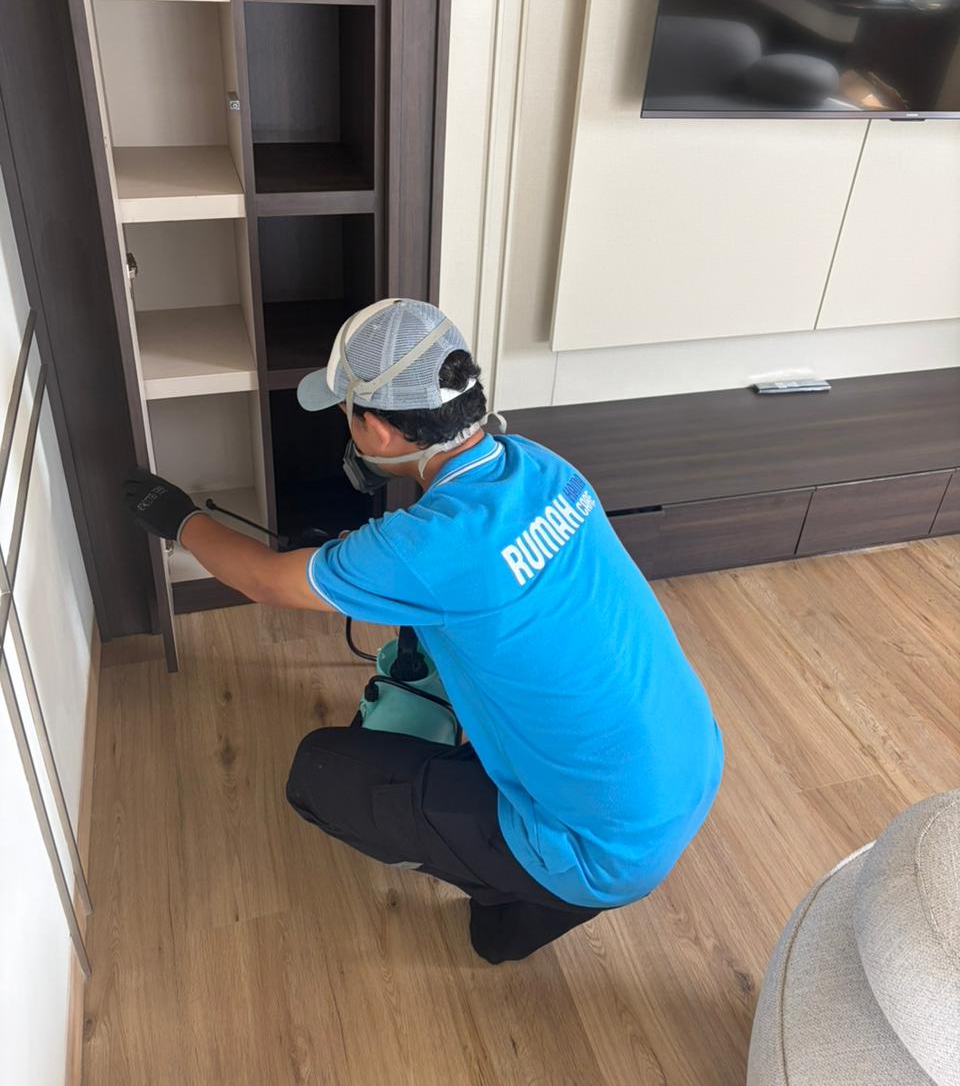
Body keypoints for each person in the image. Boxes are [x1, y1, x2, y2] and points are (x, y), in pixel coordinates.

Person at [123, 298, 723, 963]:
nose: (345, 422)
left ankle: (525, 891)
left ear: (378, 432)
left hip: (600, 850)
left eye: (347, 411)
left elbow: (265, 580)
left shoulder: (427, 548)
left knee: (319, 773)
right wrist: (378, 565)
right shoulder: (539, 465)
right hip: (688, 769)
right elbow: (484, 577)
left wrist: (180, 520)